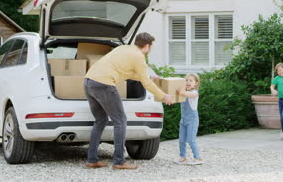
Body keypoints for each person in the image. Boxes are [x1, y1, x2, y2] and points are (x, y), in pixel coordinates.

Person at [84, 33, 173, 170]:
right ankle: (119, 161)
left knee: (100, 120)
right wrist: (163, 96)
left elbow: (127, 73)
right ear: (147, 46)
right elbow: (147, 84)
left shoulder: (123, 48)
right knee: (120, 121)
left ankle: (92, 160)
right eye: (151, 46)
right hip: (104, 84)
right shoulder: (139, 58)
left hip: (89, 81)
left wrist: (148, 76)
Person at [176, 73, 203, 165]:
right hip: (183, 120)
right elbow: (177, 97)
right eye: (186, 80)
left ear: (196, 83)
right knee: (181, 139)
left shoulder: (195, 93)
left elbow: (190, 95)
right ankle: (182, 157)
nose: (188, 82)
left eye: (191, 81)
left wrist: (182, 92)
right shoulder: (182, 93)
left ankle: (198, 158)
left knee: (191, 139)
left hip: (192, 119)